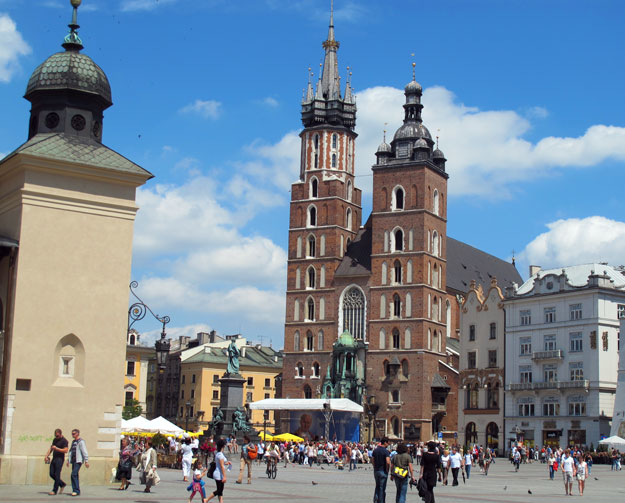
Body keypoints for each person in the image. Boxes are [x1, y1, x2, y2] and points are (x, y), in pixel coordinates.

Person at [205, 438, 232, 503]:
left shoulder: (218, 454)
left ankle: (221, 501)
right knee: (219, 490)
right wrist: (224, 476)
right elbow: (222, 466)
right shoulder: (220, 455)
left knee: (220, 490)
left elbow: (221, 463)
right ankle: (206, 500)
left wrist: (227, 463)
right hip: (219, 474)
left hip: (217, 473)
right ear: (223, 446)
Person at [45, 428, 68, 495]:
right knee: (51, 474)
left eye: (57, 436)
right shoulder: (55, 440)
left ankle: (54, 490)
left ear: (61, 434)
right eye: (55, 436)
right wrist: (46, 456)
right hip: (54, 458)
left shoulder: (64, 441)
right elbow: (51, 448)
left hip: (60, 459)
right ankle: (62, 484)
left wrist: (57, 449)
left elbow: (65, 450)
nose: (56, 437)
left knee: (57, 474)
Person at [67, 429, 89, 497]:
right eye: (72, 433)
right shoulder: (73, 441)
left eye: (74, 433)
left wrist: (86, 461)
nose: (72, 435)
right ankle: (76, 490)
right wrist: (68, 460)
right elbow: (71, 451)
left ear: (77, 434)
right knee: (74, 475)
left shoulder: (81, 442)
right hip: (73, 461)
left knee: (73, 474)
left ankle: (76, 490)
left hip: (78, 461)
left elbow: (84, 451)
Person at [372, 438, 391, 503]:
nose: (388, 444)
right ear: (385, 442)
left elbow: (373, 460)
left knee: (377, 486)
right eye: (388, 443)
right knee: (382, 488)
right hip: (383, 471)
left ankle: (375, 500)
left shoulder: (375, 450)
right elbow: (388, 462)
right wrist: (387, 469)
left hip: (376, 470)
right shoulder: (386, 451)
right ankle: (381, 501)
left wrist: (375, 467)